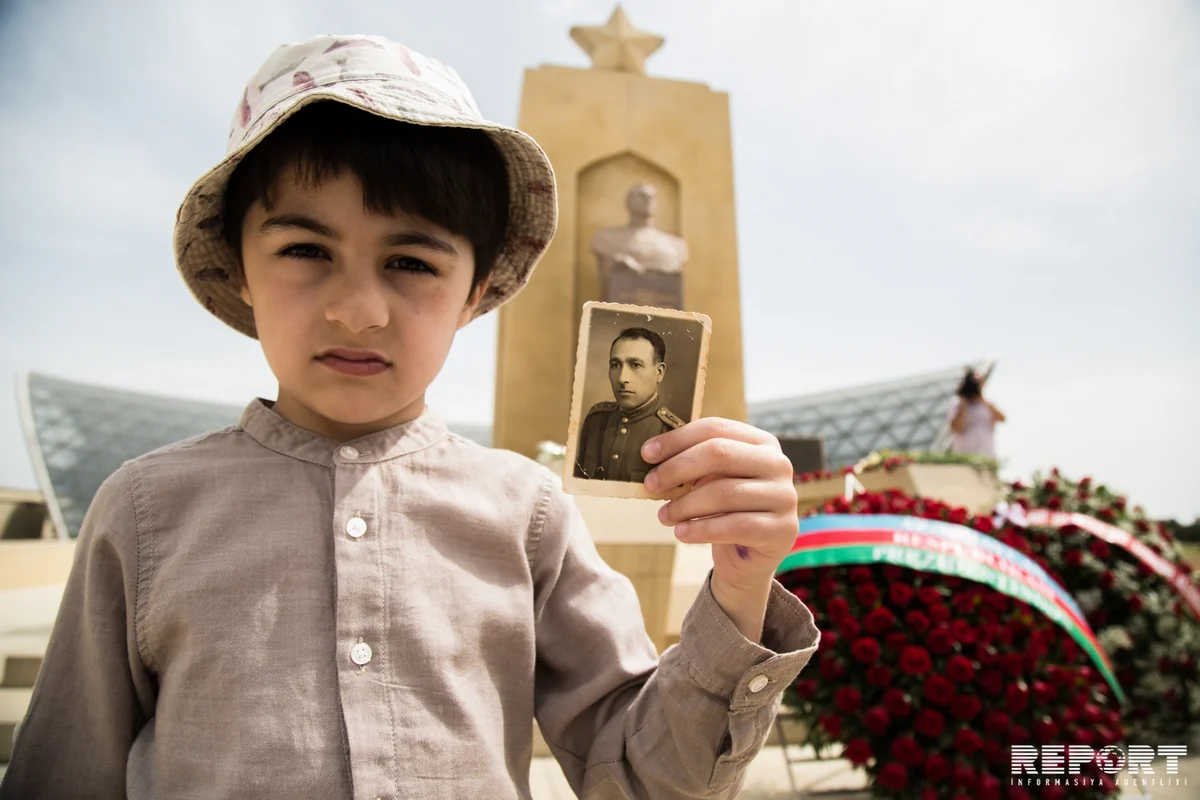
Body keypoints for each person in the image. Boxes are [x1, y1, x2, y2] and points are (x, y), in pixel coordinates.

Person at [0, 34, 817, 800]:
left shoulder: (527, 514)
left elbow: (645, 774)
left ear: (475, 292)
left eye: (410, 263)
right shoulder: (144, 514)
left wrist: (741, 589)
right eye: (306, 250)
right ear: (240, 267)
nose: (359, 311)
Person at [574, 327, 684, 481]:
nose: (622, 378)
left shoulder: (673, 433)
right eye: (615, 365)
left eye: (635, 365)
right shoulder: (596, 420)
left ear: (659, 372)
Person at [948, 369, 1006, 458]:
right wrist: (964, 404)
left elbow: (1002, 418)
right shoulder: (957, 404)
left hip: (988, 456)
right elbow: (957, 428)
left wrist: (982, 399)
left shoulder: (987, 404)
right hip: (965, 456)